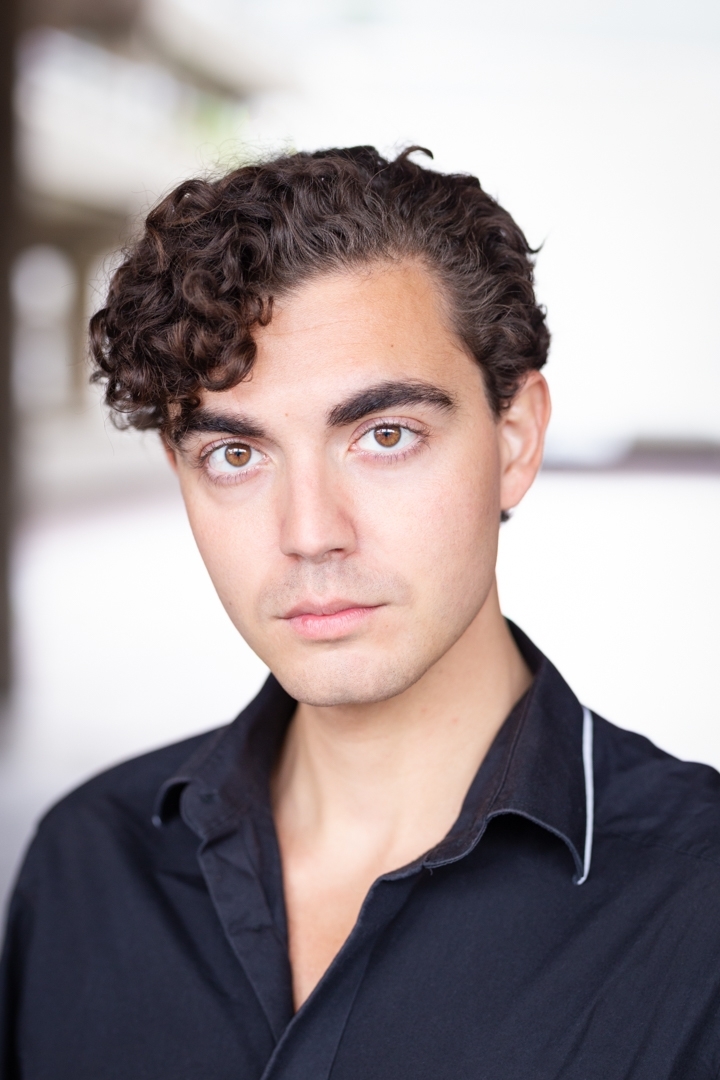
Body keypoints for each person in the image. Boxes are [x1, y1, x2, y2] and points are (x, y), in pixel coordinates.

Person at [2, 146, 720, 1080]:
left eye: (385, 435)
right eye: (235, 455)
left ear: (514, 439)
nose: (310, 534)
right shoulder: (88, 864)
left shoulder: (699, 904)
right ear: (182, 473)